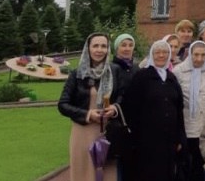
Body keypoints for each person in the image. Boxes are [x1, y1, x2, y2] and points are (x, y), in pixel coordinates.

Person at [122, 39, 188, 181]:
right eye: (157, 52)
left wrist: (179, 137)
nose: (161, 55)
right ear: (152, 54)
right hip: (147, 139)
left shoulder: (172, 78)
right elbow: (131, 107)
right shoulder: (141, 76)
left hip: (169, 138)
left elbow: (179, 110)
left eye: (165, 52)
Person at [58, 32, 117, 181]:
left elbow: (123, 96)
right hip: (83, 132)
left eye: (103, 46)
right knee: (83, 174)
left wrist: (115, 108)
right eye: (95, 45)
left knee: (107, 174)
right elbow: (63, 105)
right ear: (88, 48)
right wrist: (88, 114)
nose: (99, 50)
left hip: (107, 132)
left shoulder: (114, 72)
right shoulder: (77, 74)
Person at [175, 40, 205, 181]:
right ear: (190, 54)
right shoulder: (179, 70)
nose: (199, 59)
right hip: (187, 126)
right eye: (196, 55)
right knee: (188, 165)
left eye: (203, 55)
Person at [110, 33, 139, 181]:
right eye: (123, 45)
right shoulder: (112, 68)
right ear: (117, 48)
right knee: (121, 160)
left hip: (135, 121)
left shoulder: (136, 68)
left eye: (130, 45)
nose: (127, 49)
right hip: (119, 120)